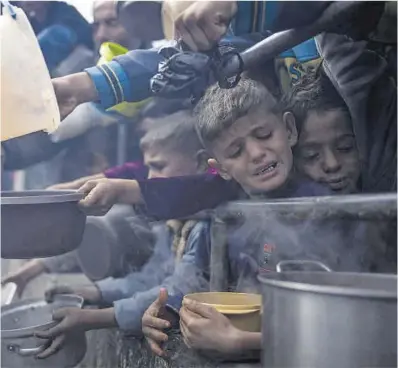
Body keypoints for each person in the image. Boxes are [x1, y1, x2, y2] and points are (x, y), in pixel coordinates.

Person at [140, 78, 336, 358]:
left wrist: (241, 341)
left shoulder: (326, 212)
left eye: (265, 135)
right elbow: (192, 278)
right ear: (219, 168)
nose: (256, 153)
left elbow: (335, 321)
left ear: (289, 130)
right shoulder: (223, 218)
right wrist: (165, 311)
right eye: (235, 151)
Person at [34, 110, 211, 359]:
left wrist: (94, 317)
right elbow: (152, 276)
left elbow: (177, 291)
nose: (150, 179)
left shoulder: (204, 227)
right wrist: (95, 291)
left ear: (201, 163)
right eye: (147, 168)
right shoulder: (174, 224)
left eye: (158, 166)